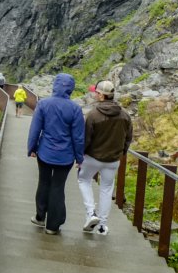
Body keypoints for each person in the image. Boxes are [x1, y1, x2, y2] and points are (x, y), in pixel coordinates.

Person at [27, 73, 84, 235]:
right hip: (65, 156)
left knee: (43, 183)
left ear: (55, 86)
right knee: (58, 187)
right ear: (71, 89)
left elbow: (35, 129)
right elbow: (78, 137)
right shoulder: (75, 109)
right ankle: (52, 226)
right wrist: (79, 158)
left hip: (44, 152)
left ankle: (40, 217)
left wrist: (32, 148)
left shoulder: (43, 104)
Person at [78, 80, 133, 237]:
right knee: (107, 189)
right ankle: (102, 226)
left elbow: (86, 138)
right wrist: (121, 153)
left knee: (84, 180)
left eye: (97, 92)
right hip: (113, 160)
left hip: (92, 157)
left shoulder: (93, 115)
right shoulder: (125, 115)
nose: (95, 94)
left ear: (101, 95)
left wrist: (81, 156)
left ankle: (91, 213)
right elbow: (128, 138)